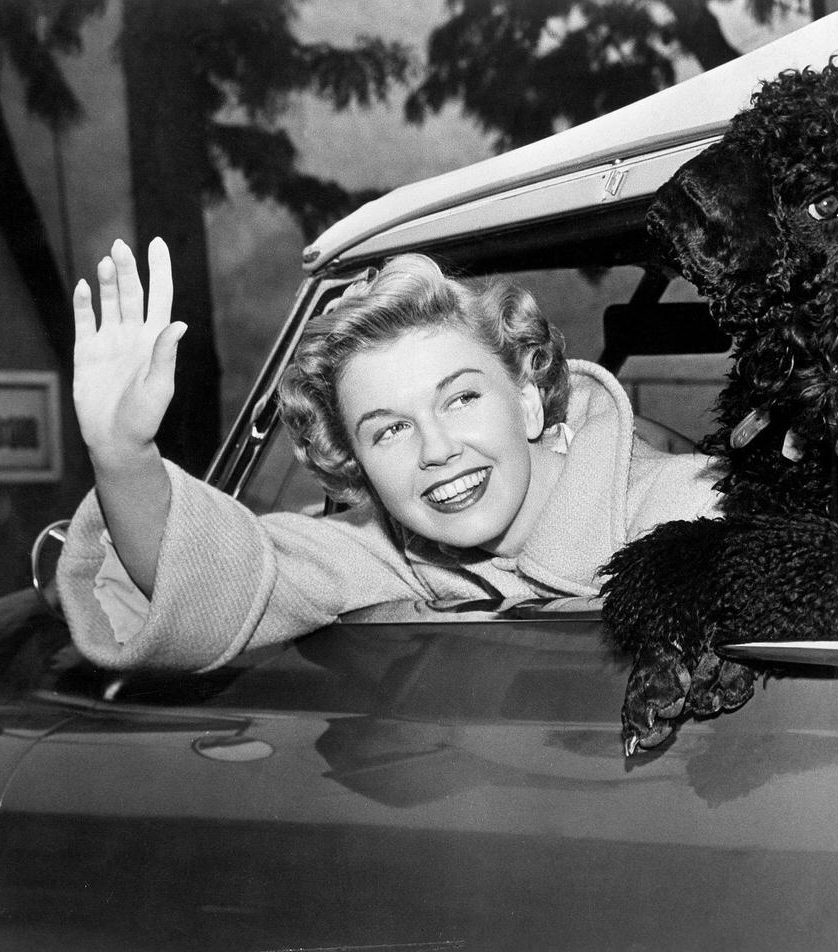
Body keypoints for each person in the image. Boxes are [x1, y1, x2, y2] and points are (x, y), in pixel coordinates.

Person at [57, 237, 722, 672]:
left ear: (525, 400)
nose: (437, 451)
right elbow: (209, 581)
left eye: (461, 399)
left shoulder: (689, 507)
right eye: (389, 431)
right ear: (357, 466)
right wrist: (122, 455)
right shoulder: (384, 552)